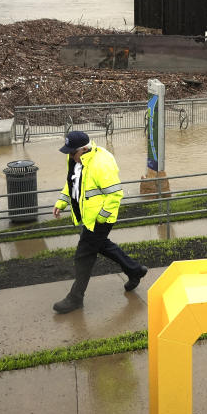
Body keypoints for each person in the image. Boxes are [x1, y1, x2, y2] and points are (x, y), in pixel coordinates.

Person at [52, 131, 147, 314]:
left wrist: (101, 218)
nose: (70, 156)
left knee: (84, 255)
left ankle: (75, 298)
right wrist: (62, 202)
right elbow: (71, 184)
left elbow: (115, 194)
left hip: (100, 218)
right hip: (88, 218)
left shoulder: (101, 164)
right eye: (69, 153)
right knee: (102, 245)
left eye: (73, 152)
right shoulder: (75, 160)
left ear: (85, 149)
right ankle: (135, 270)